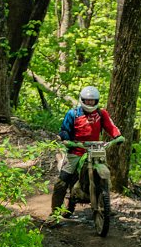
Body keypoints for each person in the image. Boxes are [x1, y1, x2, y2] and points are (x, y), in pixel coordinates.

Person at [49, 85, 123, 221]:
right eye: (87, 100)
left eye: (92, 100)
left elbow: (110, 126)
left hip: (96, 150)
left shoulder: (101, 113)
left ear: (96, 101)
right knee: (62, 182)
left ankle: (105, 206)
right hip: (76, 151)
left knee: (105, 175)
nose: (90, 103)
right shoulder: (73, 113)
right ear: (82, 100)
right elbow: (65, 130)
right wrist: (66, 140)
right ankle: (54, 214)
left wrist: (117, 136)